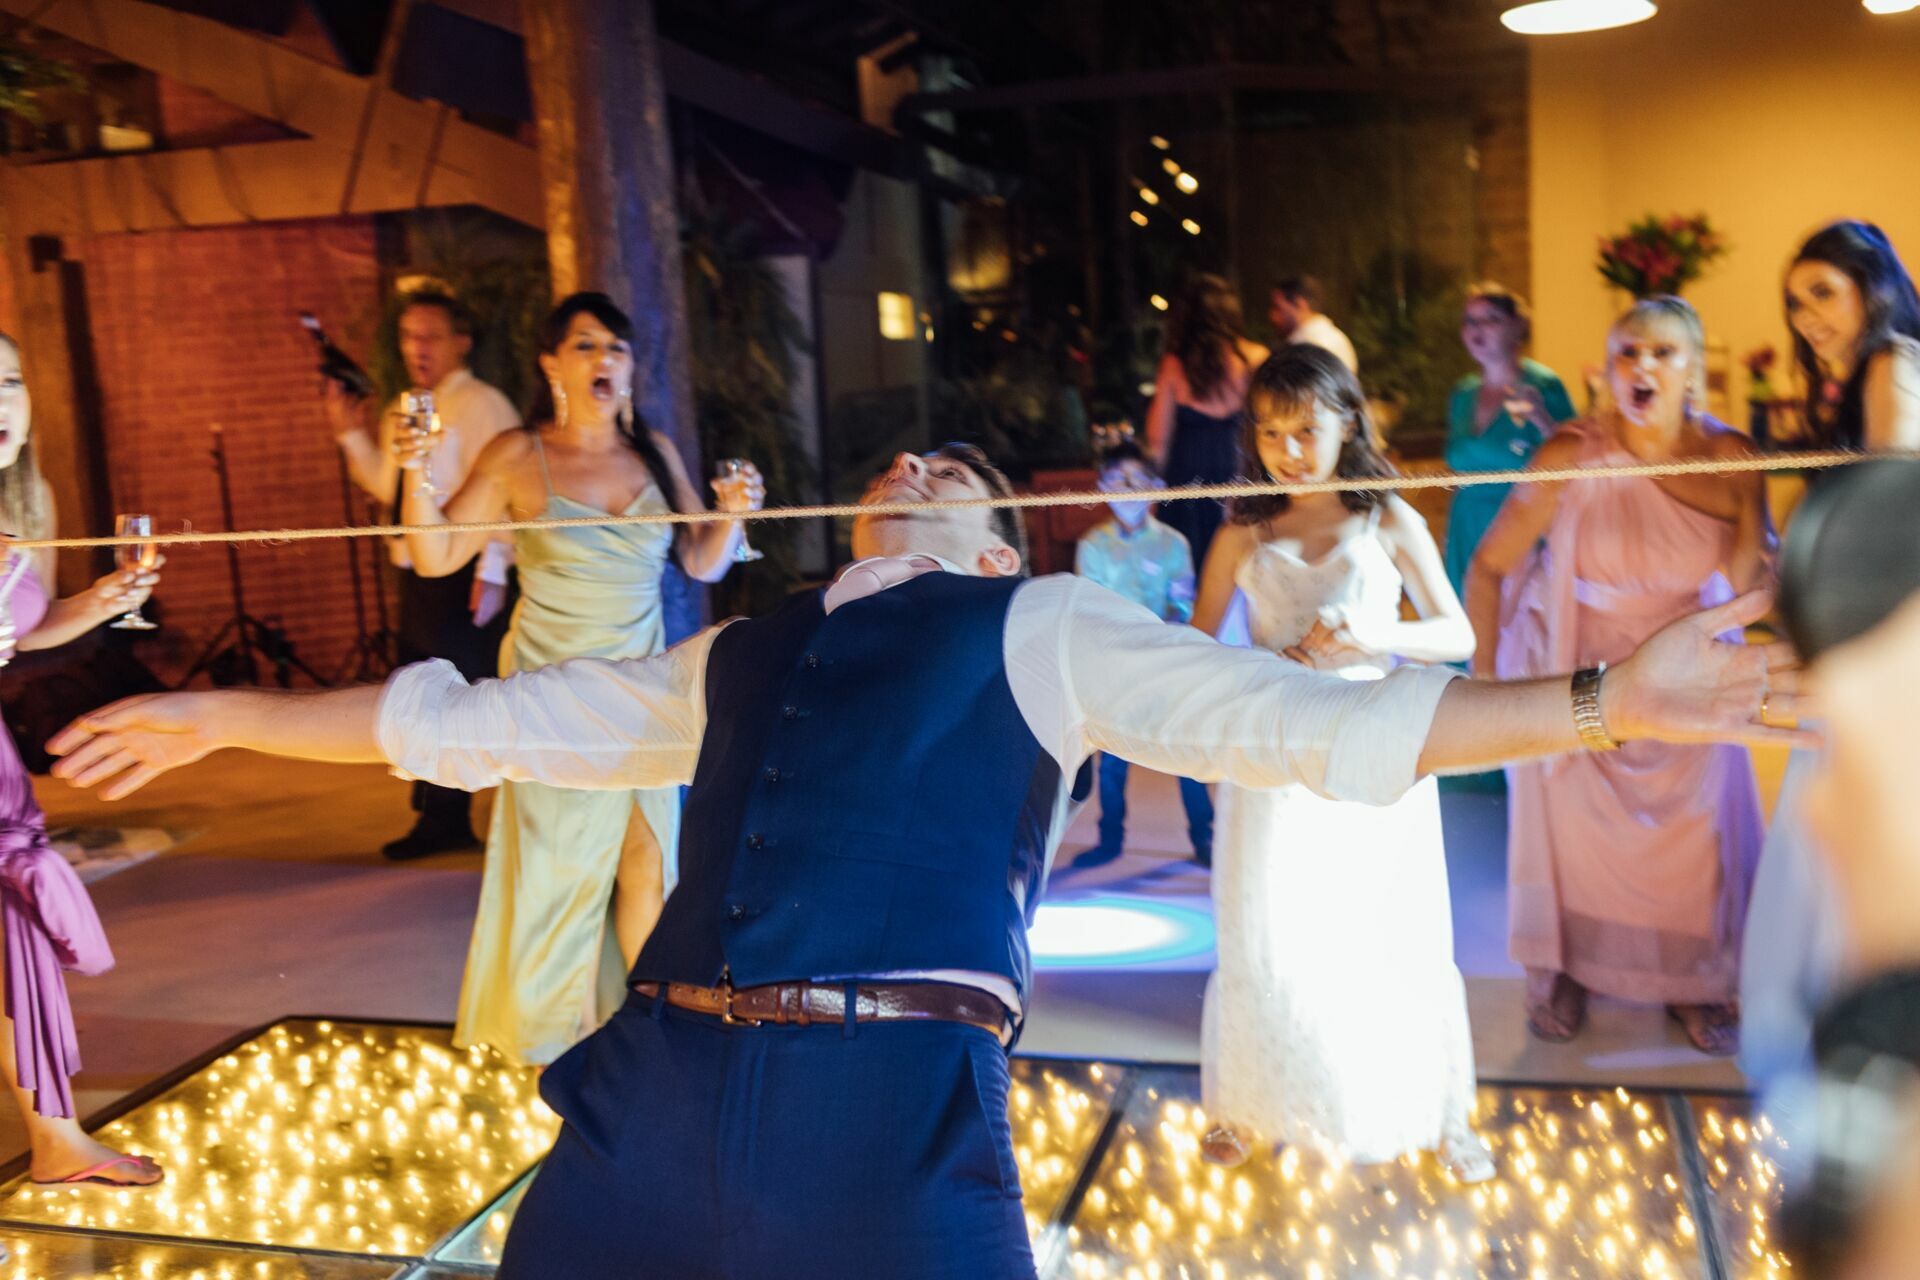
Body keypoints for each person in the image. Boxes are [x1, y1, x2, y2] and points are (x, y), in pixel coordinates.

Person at [48, 441, 1808, 1280]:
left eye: (956, 467)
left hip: (890, 1125)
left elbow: (1311, 725)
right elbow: (473, 728)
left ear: (993, 529)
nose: (916, 468)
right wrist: (225, 718)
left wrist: (1602, 699)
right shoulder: (737, 647)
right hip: (651, 1096)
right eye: (902, 461)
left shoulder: (1042, 626)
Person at [393, 291, 762, 1068]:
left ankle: (656, 1037)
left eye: (617, 349)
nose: (606, 361)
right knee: (559, 875)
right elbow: (433, 556)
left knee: (649, 861)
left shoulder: (654, 450)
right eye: (587, 346)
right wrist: (414, 469)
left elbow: (699, 560)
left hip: (642, 687)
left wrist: (732, 514)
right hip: (553, 695)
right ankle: (547, 1048)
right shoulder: (515, 453)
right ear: (551, 363)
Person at [1188, 346, 1488, 1178]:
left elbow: (1457, 634)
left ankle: (1436, 1107)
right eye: (1273, 430)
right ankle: (1250, 1099)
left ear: (1347, 423)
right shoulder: (1241, 529)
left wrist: (1374, 637)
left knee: (1388, 927)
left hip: (1371, 741)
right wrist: (1258, 671)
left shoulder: (1386, 516)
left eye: (1308, 429)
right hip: (1274, 753)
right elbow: (1193, 645)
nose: (1290, 448)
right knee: (1271, 929)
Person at [1468, 296, 1773, 1056]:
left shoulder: (1733, 461)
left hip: (1683, 664)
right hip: (1577, 662)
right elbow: (1491, 565)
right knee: (1574, 827)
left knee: (1693, 832)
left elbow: (1744, 590)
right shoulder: (1569, 453)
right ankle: (1568, 968)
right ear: (1605, 370)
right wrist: (1480, 684)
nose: (1642, 366)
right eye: (1627, 353)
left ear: (1694, 370)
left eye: (1663, 353)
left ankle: (1697, 979)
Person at [1741, 221, 1920, 1089]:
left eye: (1824, 293)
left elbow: (1893, 512)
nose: (1807, 317)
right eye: (1796, 300)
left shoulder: (1892, 364)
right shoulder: (1859, 375)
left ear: (1871, 288)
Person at [0, 332, 162, 1189]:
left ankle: (56, 1138)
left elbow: (25, 632)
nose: (2, 401)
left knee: (14, 932)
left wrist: (100, 600)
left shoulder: (28, 502)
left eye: (13, 382)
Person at [324, 290, 522, 861]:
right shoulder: (405, 407)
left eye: (431, 335)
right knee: (420, 685)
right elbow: (394, 490)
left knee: (455, 690)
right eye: (409, 336)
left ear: (462, 341)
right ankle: (440, 815)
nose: (418, 348)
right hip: (417, 569)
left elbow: (508, 495)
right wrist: (348, 432)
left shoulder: (484, 405)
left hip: (466, 572)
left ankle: (449, 816)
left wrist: (495, 568)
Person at [1069, 441, 1211, 870]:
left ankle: (1204, 837)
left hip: (1165, 662)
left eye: (1136, 481)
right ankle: (1110, 838)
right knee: (1112, 761)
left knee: (1185, 752)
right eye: (1116, 481)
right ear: (1102, 488)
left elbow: (1183, 601)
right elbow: (1089, 605)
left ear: (1154, 488)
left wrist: (1163, 630)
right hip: (1115, 667)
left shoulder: (1173, 543)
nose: (1126, 491)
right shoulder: (1092, 544)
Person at [1443, 282, 1577, 599]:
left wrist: (1542, 418)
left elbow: (1574, 456)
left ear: (1517, 326)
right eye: (1470, 321)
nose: (1477, 329)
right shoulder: (1463, 394)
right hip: (1467, 527)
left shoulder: (1542, 385)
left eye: (1490, 319)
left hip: (1520, 526)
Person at [1145, 274, 1270, 568]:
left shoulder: (1174, 366)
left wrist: (1149, 492)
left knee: (1190, 567)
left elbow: (1157, 440)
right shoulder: (1257, 357)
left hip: (1188, 481)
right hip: (1240, 470)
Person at [1269, 275, 1358, 374]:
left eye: (1277, 307)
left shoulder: (1311, 347)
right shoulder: (1334, 338)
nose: (1272, 316)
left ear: (1299, 304)